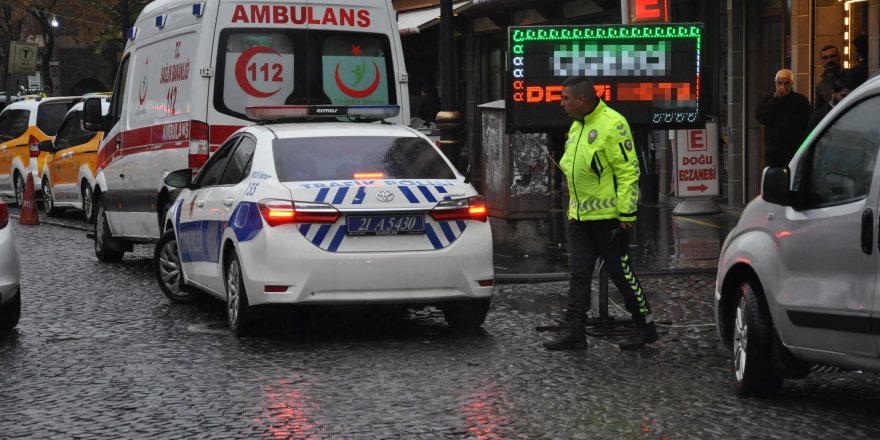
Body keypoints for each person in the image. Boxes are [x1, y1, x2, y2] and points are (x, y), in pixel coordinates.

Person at [543, 76, 657, 351]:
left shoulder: (612, 124)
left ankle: (645, 326)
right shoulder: (577, 126)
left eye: (565, 99)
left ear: (581, 99)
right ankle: (575, 331)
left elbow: (628, 170)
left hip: (609, 219)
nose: (562, 104)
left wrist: (627, 213)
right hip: (581, 219)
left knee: (622, 273)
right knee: (579, 274)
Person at [756, 69, 812, 167]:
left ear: (792, 84)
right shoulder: (767, 99)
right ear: (775, 83)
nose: (782, 87)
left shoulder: (801, 101)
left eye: (786, 83)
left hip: (795, 149)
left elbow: (808, 123)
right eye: (780, 83)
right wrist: (775, 101)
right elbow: (762, 118)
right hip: (774, 151)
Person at [814, 45, 842, 110]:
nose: (829, 60)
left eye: (833, 56)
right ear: (821, 61)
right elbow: (818, 110)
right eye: (825, 58)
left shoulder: (850, 77)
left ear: (839, 58)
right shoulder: (820, 86)